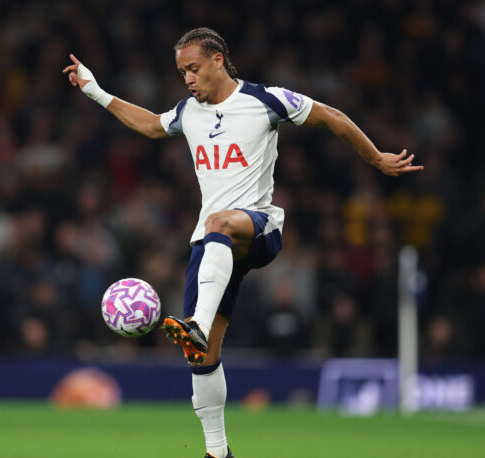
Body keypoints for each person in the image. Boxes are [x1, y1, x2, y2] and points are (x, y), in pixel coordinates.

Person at [64, 27, 422, 458]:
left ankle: (195, 321)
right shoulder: (188, 112)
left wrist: (375, 157)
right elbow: (149, 125)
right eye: (182, 73)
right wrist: (95, 91)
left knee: (218, 224)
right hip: (211, 244)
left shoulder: (266, 101)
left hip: (258, 228)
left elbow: (331, 117)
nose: (188, 80)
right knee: (202, 357)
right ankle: (218, 452)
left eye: (193, 69)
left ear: (218, 60)